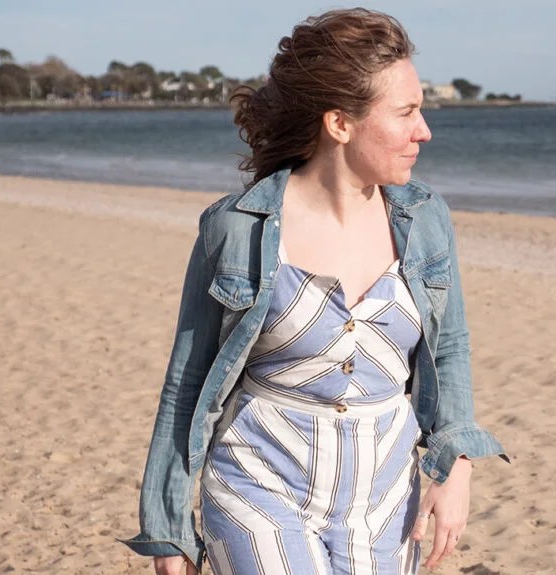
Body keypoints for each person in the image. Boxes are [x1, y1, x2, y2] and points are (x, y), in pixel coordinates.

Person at [120, 8, 507, 574]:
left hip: (384, 494)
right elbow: (187, 381)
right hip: (257, 480)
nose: (424, 131)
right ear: (340, 124)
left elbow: (449, 348)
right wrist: (170, 527)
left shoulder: (426, 218)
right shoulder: (237, 228)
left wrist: (457, 466)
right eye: (406, 113)